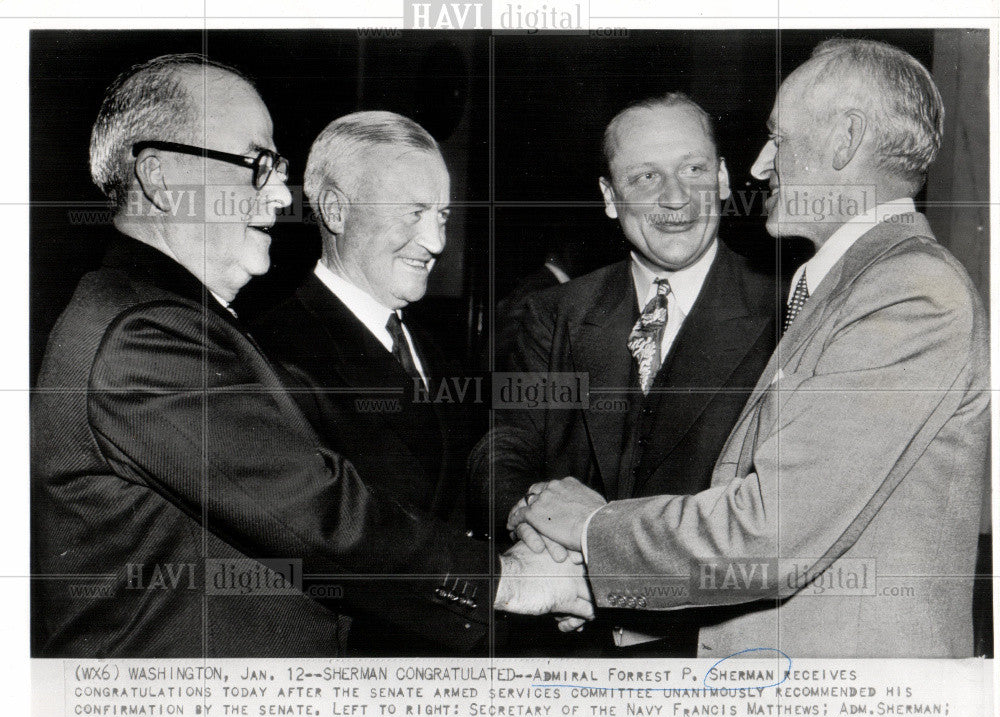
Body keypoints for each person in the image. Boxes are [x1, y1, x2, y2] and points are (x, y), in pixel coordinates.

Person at [31, 54, 589, 658]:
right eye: (256, 164)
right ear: (161, 180)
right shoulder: (143, 337)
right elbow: (323, 514)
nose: (279, 194)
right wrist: (512, 579)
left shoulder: (159, 316)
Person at [502, 38, 990, 658]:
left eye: (778, 139)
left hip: (841, 716)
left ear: (845, 140)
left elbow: (771, 533)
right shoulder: (849, 287)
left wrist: (590, 528)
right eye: (645, 176)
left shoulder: (908, 293)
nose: (762, 165)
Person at [471, 93, 776, 655]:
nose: (675, 198)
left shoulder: (786, 315)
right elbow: (503, 445)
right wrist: (532, 521)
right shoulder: (556, 313)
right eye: (644, 177)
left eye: (693, 169)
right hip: (570, 647)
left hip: (714, 651)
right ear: (610, 198)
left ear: (725, 178)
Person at [250, 112, 481, 654]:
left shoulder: (439, 349)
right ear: (335, 210)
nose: (435, 241)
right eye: (414, 213)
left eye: (442, 216)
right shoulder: (272, 350)